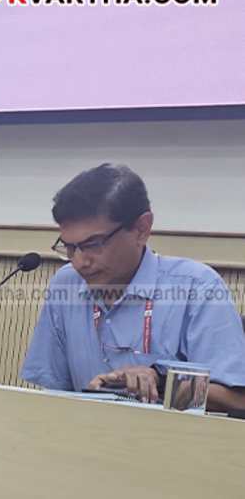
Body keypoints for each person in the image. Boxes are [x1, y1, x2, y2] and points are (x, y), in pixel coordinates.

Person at [21, 164, 245, 411]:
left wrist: (161, 383)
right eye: (70, 247)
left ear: (141, 229)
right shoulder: (66, 285)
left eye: (93, 244)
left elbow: (236, 401)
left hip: (171, 444)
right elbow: (55, 394)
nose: (80, 262)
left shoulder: (198, 288)